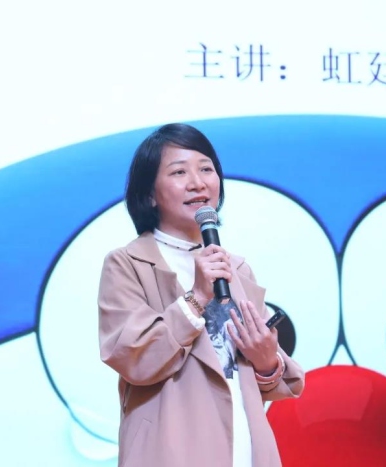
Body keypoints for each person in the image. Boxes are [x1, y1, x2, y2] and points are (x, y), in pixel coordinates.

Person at [98, 123, 305, 467]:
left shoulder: (236, 269)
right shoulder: (127, 263)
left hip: (244, 447)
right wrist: (195, 297)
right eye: (179, 172)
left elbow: (272, 382)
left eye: (206, 169)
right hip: (170, 450)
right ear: (149, 194)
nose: (198, 182)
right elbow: (133, 357)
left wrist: (267, 360)